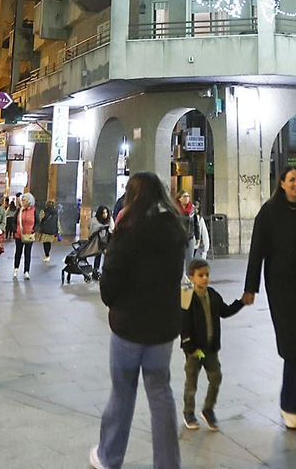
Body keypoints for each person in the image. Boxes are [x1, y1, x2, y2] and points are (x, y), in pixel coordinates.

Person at [90, 171, 187, 469]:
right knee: (161, 393)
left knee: (123, 392)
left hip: (129, 328)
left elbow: (110, 283)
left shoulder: (128, 229)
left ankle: (109, 456)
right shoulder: (174, 228)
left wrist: (115, 303)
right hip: (162, 329)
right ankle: (168, 463)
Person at [242, 166, 296, 430]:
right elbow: (257, 251)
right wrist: (250, 288)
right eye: (291, 180)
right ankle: (288, 404)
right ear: (281, 183)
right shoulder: (269, 212)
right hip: (280, 286)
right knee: (291, 342)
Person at [180, 256, 244, 432]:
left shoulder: (213, 295)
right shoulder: (187, 298)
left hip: (210, 349)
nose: (205, 278)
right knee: (191, 382)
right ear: (191, 277)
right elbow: (184, 324)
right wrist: (189, 347)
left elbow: (225, 311)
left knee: (215, 377)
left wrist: (241, 302)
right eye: (201, 275)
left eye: (207, 274)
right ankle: (188, 413)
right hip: (196, 350)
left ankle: (208, 410)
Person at [175, 192, 208, 272]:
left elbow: (196, 223)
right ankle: (181, 277)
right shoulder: (175, 208)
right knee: (180, 258)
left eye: (188, 196)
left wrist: (197, 237)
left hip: (190, 236)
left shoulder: (192, 208)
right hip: (179, 237)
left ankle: (190, 278)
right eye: (185, 196)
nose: (187, 198)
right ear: (180, 198)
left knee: (190, 257)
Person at [13, 193, 37, 280]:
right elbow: (14, 221)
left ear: (29, 201)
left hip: (29, 235)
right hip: (19, 234)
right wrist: (15, 230)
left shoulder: (34, 210)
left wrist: (34, 229)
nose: (22, 201)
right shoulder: (19, 210)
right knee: (18, 252)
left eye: (24, 200)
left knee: (28, 253)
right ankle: (16, 269)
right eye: (22, 200)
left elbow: (37, 222)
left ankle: (26, 271)